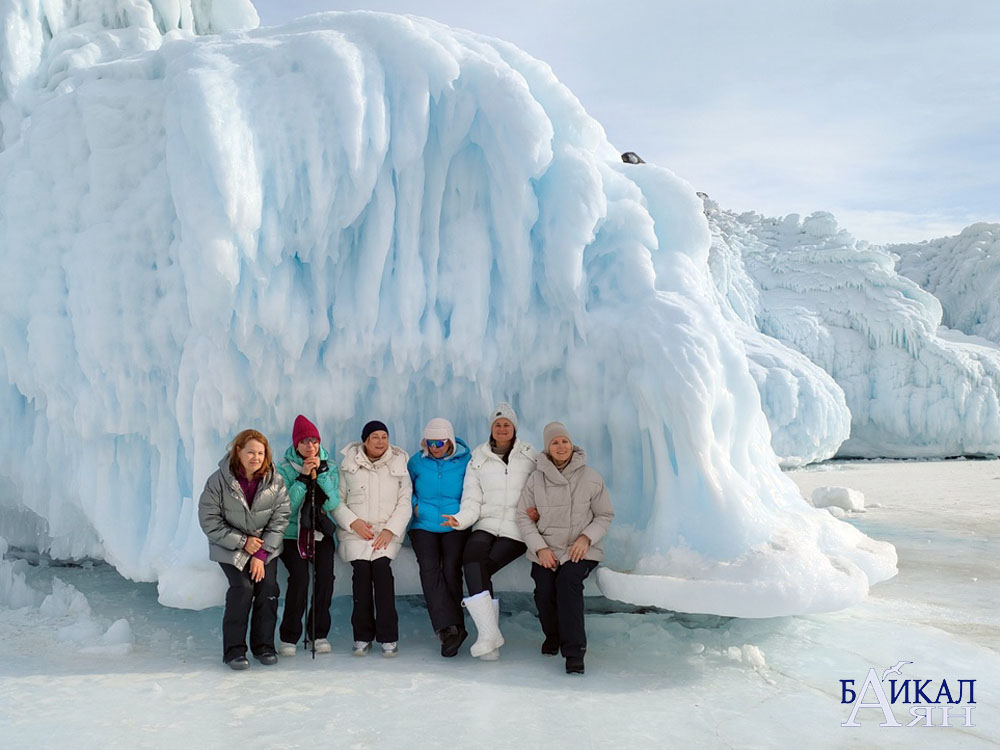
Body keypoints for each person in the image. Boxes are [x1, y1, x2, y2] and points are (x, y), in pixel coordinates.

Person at [516, 422, 614, 675]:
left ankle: (574, 652)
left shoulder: (590, 476)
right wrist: (539, 549)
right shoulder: (536, 479)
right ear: (547, 448)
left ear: (572, 445)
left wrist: (586, 538)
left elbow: (604, 514)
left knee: (568, 582)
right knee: (544, 587)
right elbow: (523, 517)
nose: (561, 446)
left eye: (565, 441)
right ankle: (554, 635)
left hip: (580, 550)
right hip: (547, 548)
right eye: (555, 442)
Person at [442, 402, 538, 660]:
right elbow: (472, 499)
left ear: (514, 427)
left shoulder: (530, 456)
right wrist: (460, 520)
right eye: (498, 425)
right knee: (471, 560)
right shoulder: (478, 458)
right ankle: (489, 635)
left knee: (481, 567)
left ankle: (488, 636)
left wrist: (538, 513)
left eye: (506, 424)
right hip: (485, 523)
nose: (502, 428)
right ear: (491, 429)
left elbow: (542, 490)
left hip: (517, 528)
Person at [198, 429, 290, 670]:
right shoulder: (218, 480)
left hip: (263, 547)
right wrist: (242, 542)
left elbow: (280, 518)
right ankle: (234, 651)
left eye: (260, 453)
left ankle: (264, 646)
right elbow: (209, 520)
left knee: (268, 588)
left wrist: (260, 554)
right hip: (230, 546)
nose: (256, 457)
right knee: (243, 588)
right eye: (250, 452)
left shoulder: (275, 480)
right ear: (238, 451)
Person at [333, 420, 412, 657]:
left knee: (382, 572)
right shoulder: (347, 465)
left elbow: (405, 501)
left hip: (386, 533)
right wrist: (353, 523)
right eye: (375, 437)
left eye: (384, 437)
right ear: (365, 440)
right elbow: (337, 502)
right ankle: (362, 636)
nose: (380, 442)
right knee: (361, 575)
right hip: (356, 533)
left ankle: (389, 637)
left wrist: (390, 530)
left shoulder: (399, 464)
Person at [407, 418, 472, 657]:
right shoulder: (416, 462)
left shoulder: (466, 461)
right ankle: (447, 630)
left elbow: (474, 490)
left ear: (450, 441)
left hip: (454, 523)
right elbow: (406, 488)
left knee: (452, 569)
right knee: (429, 568)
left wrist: (462, 516)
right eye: (430, 442)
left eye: (440, 442)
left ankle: (457, 627)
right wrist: (416, 508)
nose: (435, 447)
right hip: (423, 524)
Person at [275, 414, 339, 656]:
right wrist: (302, 477)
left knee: (325, 579)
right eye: (304, 442)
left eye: (314, 441)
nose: (310, 446)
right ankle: (289, 636)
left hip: (321, 533)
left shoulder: (330, 466)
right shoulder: (282, 469)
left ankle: (318, 634)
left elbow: (333, 502)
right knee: (300, 579)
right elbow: (286, 508)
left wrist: (320, 475)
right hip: (292, 534)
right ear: (296, 444)